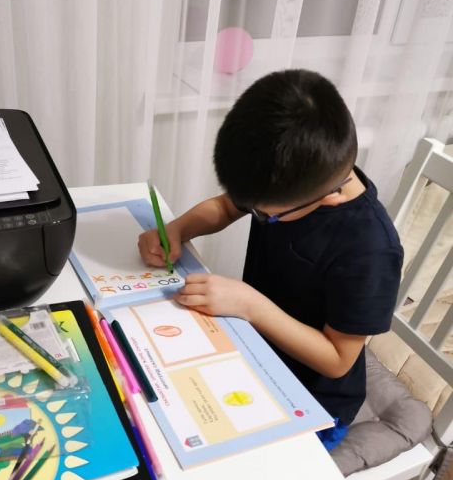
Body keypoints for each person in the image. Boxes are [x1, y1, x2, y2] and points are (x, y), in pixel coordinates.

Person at [138, 69, 403, 449]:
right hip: (250, 347)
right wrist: (177, 229)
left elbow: (338, 359)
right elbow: (224, 207)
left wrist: (251, 305)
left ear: (329, 195)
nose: (253, 212)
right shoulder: (294, 179)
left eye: (265, 214)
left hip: (312, 401)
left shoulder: (371, 249)